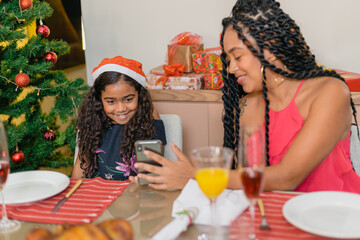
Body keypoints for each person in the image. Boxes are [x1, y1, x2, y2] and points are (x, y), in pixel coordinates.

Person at [134, 0, 360, 193]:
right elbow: (249, 180)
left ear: (269, 48)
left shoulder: (329, 91)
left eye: (238, 57)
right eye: (228, 60)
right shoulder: (248, 106)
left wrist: (198, 176)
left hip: (335, 219)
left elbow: (288, 177)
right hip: (273, 218)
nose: (231, 68)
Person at [72, 56, 166, 181]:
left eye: (128, 99)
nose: (121, 108)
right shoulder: (92, 120)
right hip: (96, 193)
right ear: (99, 100)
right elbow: (81, 163)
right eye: (111, 101)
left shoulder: (148, 116)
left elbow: (151, 172)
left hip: (133, 193)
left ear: (139, 95)